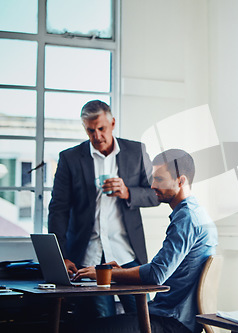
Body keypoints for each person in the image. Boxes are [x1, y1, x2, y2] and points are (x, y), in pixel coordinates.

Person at [72, 149, 218, 333]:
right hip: (170, 317)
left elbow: (157, 274)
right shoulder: (195, 213)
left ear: (181, 181)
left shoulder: (187, 218)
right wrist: (120, 272)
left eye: (159, 179)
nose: (152, 186)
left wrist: (108, 273)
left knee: (84, 329)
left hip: (172, 322)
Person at [48, 100, 159, 318]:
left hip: (128, 256)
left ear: (113, 123)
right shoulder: (69, 158)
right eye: (90, 130)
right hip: (89, 259)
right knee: (102, 322)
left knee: (145, 318)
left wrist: (128, 192)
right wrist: (62, 256)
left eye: (101, 128)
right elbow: (58, 209)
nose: (96, 136)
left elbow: (155, 194)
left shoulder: (136, 151)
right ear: (84, 128)